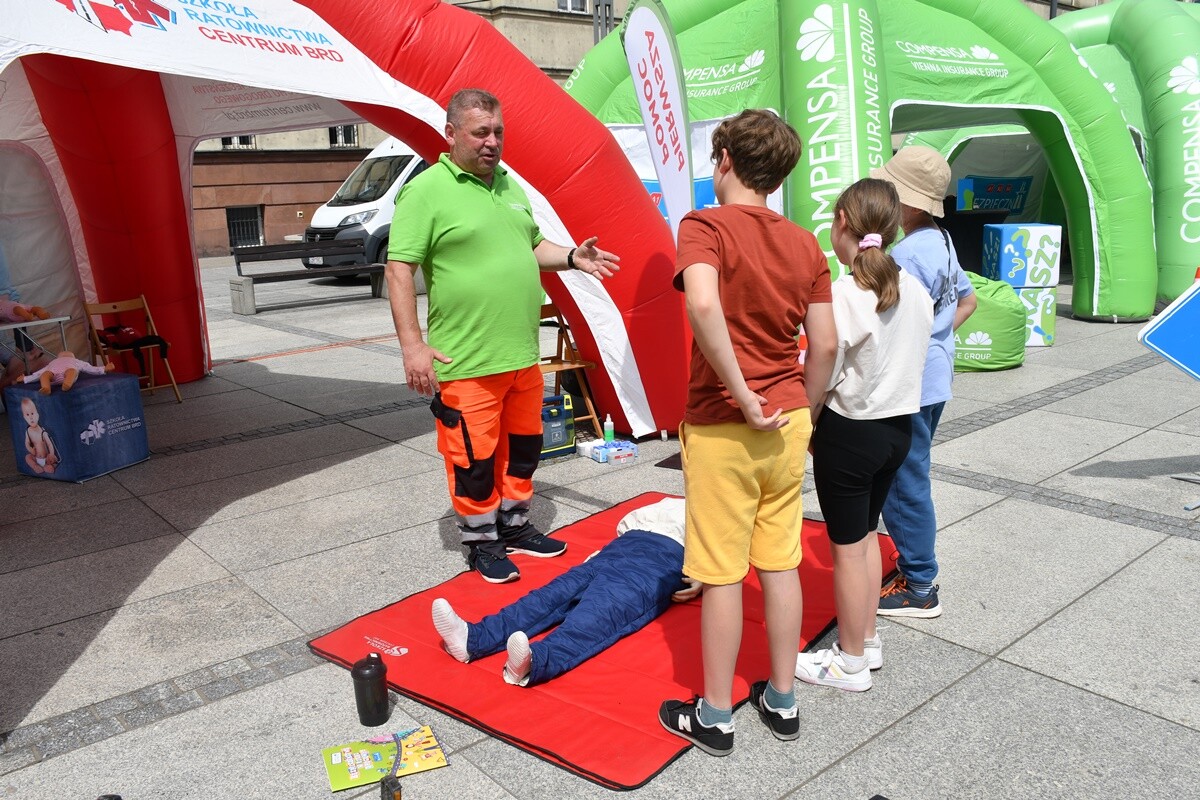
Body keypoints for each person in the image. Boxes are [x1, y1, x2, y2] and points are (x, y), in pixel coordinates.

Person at [657, 110, 838, 757]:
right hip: (789, 420)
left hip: (723, 422)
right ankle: (781, 699)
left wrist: (738, 391)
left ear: (725, 159)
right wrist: (805, 410)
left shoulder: (703, 226)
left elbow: (702, 303)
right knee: (780, 560)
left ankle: (714, 715)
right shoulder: (805, 243)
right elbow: (824, 344)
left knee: (722, 570)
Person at [386, 88, 619, 584]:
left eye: (498, 133)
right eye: (479, 133)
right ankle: (481, 541)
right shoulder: (425, 191)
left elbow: (531, 245)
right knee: (473, 460)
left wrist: (574, 256)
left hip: (519, 356)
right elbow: (400, 268)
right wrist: (413, 346)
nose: (491, 143)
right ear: (451, 134)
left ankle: (514, 526)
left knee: (523, 451)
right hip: (467, 361)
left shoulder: (510, 186)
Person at [794, 179, 933, 692]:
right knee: (869, 536)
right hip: (899, 428)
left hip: (850, 432)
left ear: (842, 224)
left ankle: (849, 660)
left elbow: (825, 359)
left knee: (848, 548)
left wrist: (807, 416)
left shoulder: (842, 294)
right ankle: (866, 640)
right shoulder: (913, 289)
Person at [430, 497, 700, 686]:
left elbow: (726, 554)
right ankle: (473, 638)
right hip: (616, 551)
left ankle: (536, 661)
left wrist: (704, 580)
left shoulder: (717, 513)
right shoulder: (669, 502)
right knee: (547, 597)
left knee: (598, 615)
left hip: (660, 564)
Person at [870, 146, 978, 617]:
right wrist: (935, 341)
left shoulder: (908, 254)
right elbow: (968, 302)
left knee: (904, 479)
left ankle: (919, 583)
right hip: (935, 377)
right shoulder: (943, 241)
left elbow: (881, 320)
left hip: (909, 383)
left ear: (908, 202)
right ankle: (914, 567)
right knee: (908, 470)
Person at [20, 396, 58, 474]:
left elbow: (50, 444)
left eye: (32, 413)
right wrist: (30, 449)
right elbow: (26, 443)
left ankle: (48, 466)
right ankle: (35, 466)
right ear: (24, 417)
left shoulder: (42, 432)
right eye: (27, 415)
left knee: (52, 460)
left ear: (37, 415)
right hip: (36, 458)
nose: (31, 417)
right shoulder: (28, 431)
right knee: (28, 457)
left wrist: (51, 454)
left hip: (46, 457)